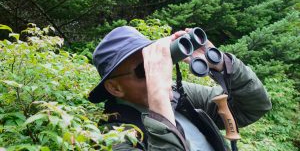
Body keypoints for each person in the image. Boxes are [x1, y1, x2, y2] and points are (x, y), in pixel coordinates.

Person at [88, 26, 272, 151]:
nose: (158, 70)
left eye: (157, 62)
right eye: (144, 69)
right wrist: (158, 99)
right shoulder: (112, 136)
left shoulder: (180, 95)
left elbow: (253, 107)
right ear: (115, 87)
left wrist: (221, 64)